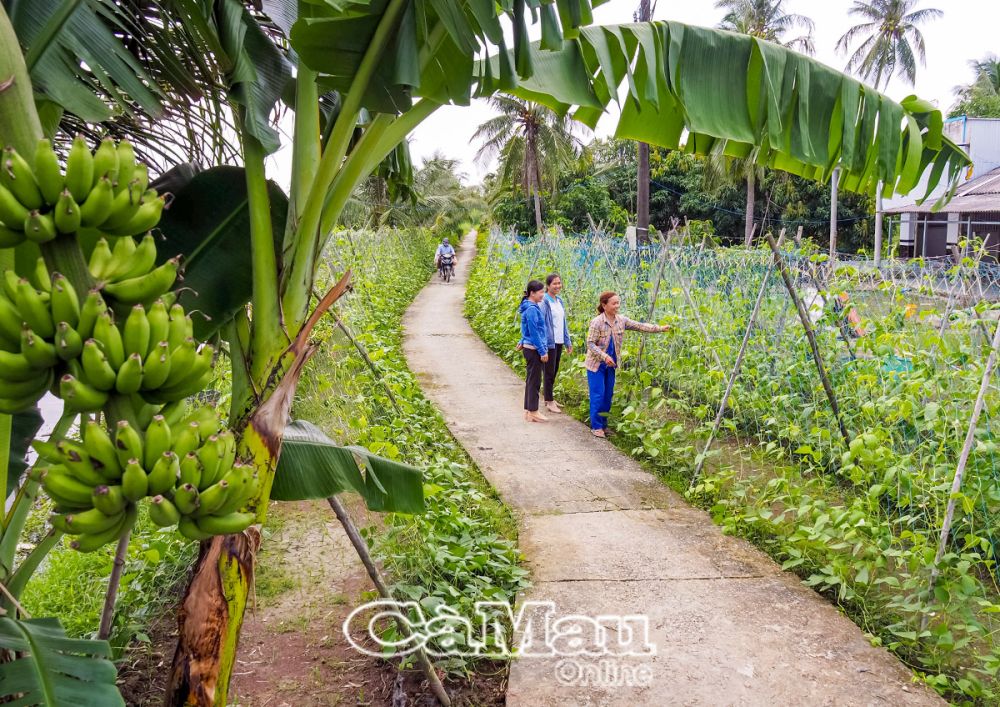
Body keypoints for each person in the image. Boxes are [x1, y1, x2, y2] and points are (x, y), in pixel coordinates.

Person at [585, 291, 669, 438]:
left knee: (608, 395)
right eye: (614, 303)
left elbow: (640, 326)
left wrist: (660, 328)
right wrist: (604, 356)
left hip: (611, 365)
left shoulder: (621, 320)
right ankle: (596, 426)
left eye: (618, 303)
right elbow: (590, 344)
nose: (617, 306)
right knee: (598, 395)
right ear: (604, 305)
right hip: (596, 365)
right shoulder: (597, 322)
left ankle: (604, 425)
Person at [518, 280, 550, 423]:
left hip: (530, 347)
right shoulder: (531, 309)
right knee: (535, 381)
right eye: (541, 292)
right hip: (534, 349)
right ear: (532, 293)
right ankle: (533, 411)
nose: (543, 295)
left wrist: (522, 340)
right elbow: (534, 332)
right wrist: (543, 351)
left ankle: (529, 410)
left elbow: (525, 329)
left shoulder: (530, 306)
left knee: (531, 379)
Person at [540, 273, 572, 413]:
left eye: (559, 283)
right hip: (549, 342)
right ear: (548, 286)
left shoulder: (559, 301)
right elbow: (542, 323)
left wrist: (567, 341)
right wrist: (543, 344)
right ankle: (549, 401)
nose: (558, 286)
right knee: (549, 372)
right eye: (555, 284)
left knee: (554, 371)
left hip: (559, 341)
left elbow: (563, 323)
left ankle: (549, 397)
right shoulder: (544, 301)